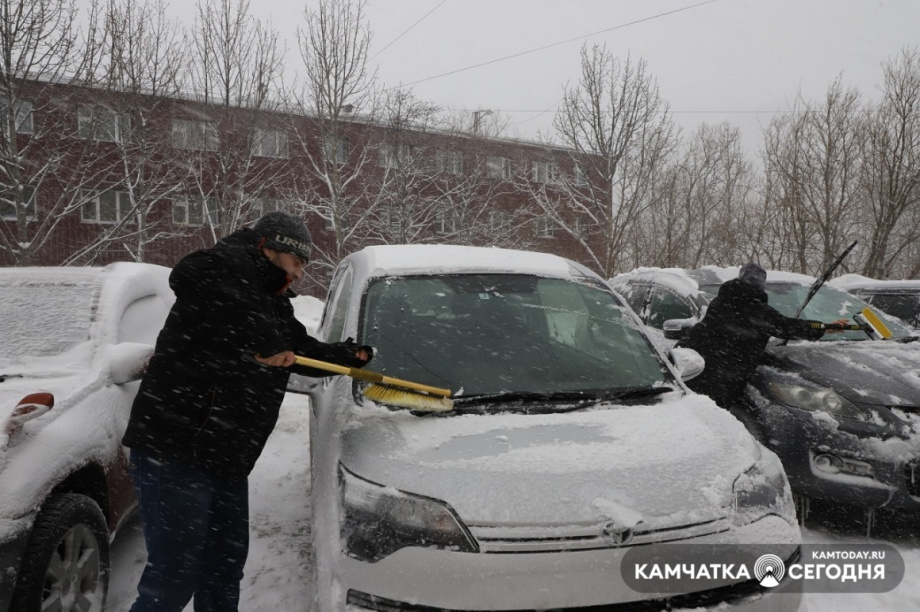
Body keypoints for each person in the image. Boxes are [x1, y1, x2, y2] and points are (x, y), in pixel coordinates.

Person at [122, 211, 372, 612]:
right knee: (173, 578)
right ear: (269, 248)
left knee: (223, 569)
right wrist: (263, 337)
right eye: (297, 263)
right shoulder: (219, 268)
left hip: (227, 458)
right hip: (176, 451)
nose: (300, 275)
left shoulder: (272, 301)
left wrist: (343, 356)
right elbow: (191, 277)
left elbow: (295, 349)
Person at [678, 262, 847, 411]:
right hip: (725, 376)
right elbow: (788, 327)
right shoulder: (756, 310)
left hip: (699, 369)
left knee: (697, 415)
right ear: (760, 285)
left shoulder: (721, 302)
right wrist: (827, 327)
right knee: (716, 418)